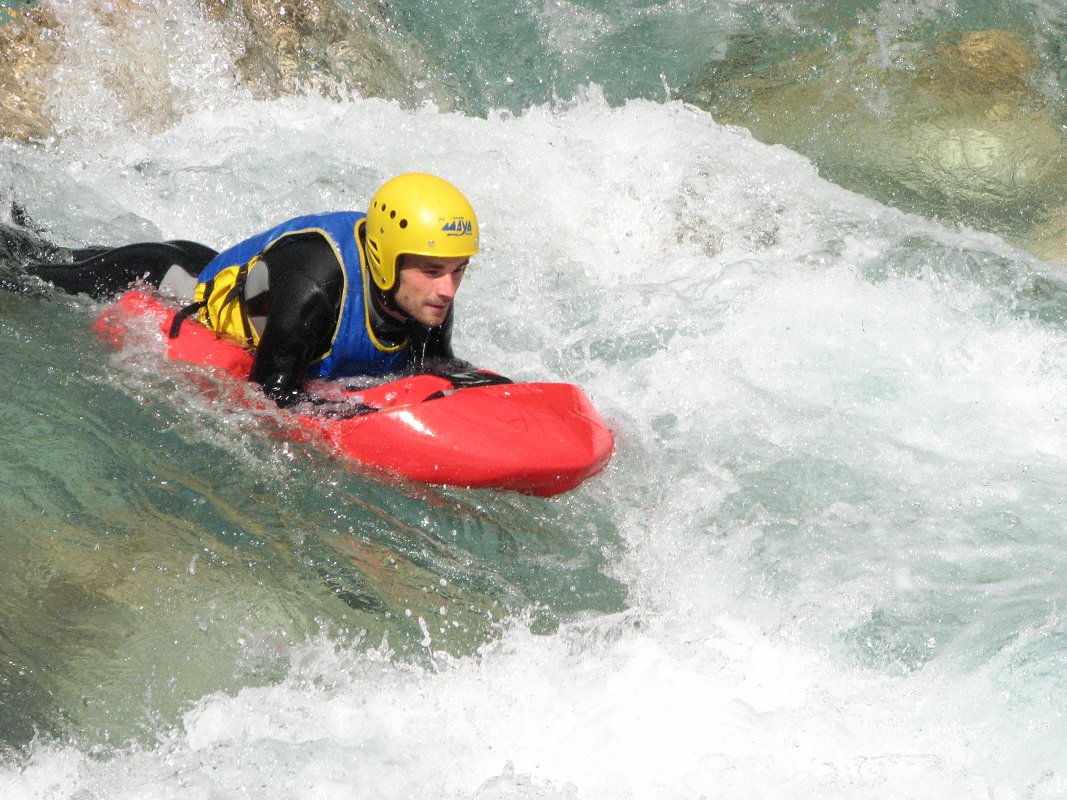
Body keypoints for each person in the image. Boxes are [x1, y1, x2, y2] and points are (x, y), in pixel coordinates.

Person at [24, 172, 483, 406]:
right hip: (168, 282)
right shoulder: (319, 287)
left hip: (231, 273)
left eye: (458, 271)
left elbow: (434, 366)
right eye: (433, 270)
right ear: (387, 260)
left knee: (43, 250)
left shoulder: (422, 294)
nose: (447, 288)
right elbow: (270, 397)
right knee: (30, 274)